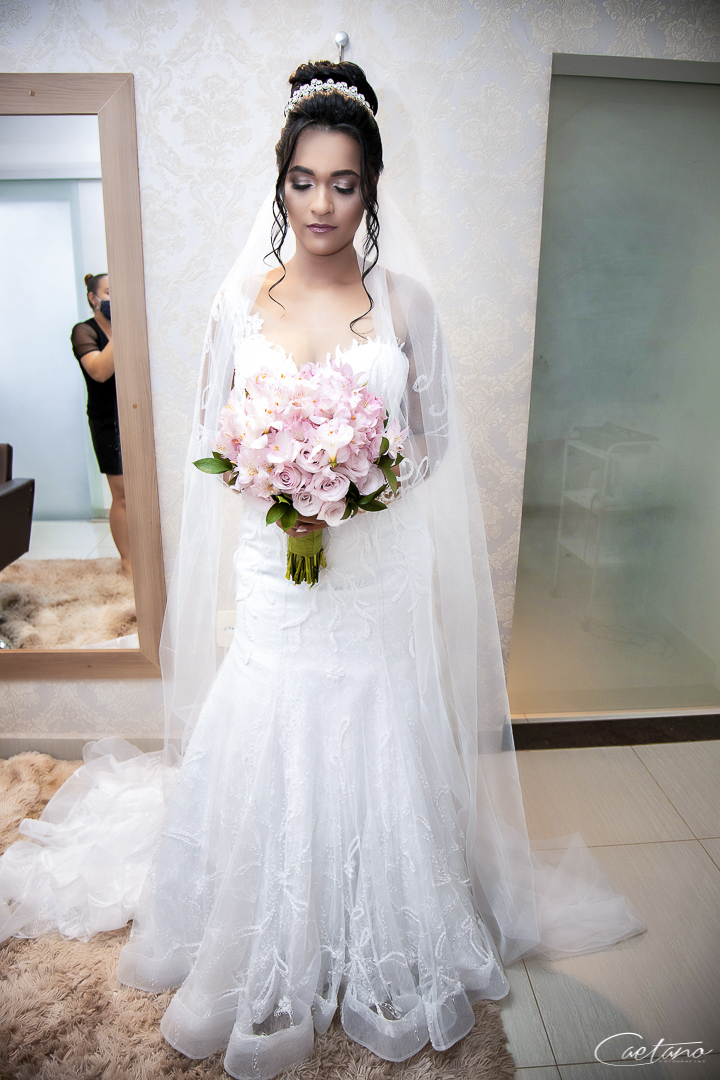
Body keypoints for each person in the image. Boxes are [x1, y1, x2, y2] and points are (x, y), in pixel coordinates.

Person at [0, 62, 645, 1080]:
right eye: (303, 181)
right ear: (281, 183)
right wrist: (282, 481)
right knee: (273, 714)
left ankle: (381, 921)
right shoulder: (241, 297)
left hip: (373, 569)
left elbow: (429, 442)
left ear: (371, 189)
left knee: (376, 720)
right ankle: (256, 918)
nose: (321, 204)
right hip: (278, 570)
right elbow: (217, 432)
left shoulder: (409, 304)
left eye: (344, 183)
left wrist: (354, 479)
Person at [71, 274, 132, 579]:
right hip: (107, 421)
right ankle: (127, 563)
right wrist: (124, 325)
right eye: (109, 293)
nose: (115, 298)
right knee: (122, 495)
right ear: (93, 298)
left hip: (134, 416)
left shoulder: (131, 327)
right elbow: (99, 371)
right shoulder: (84, 331)